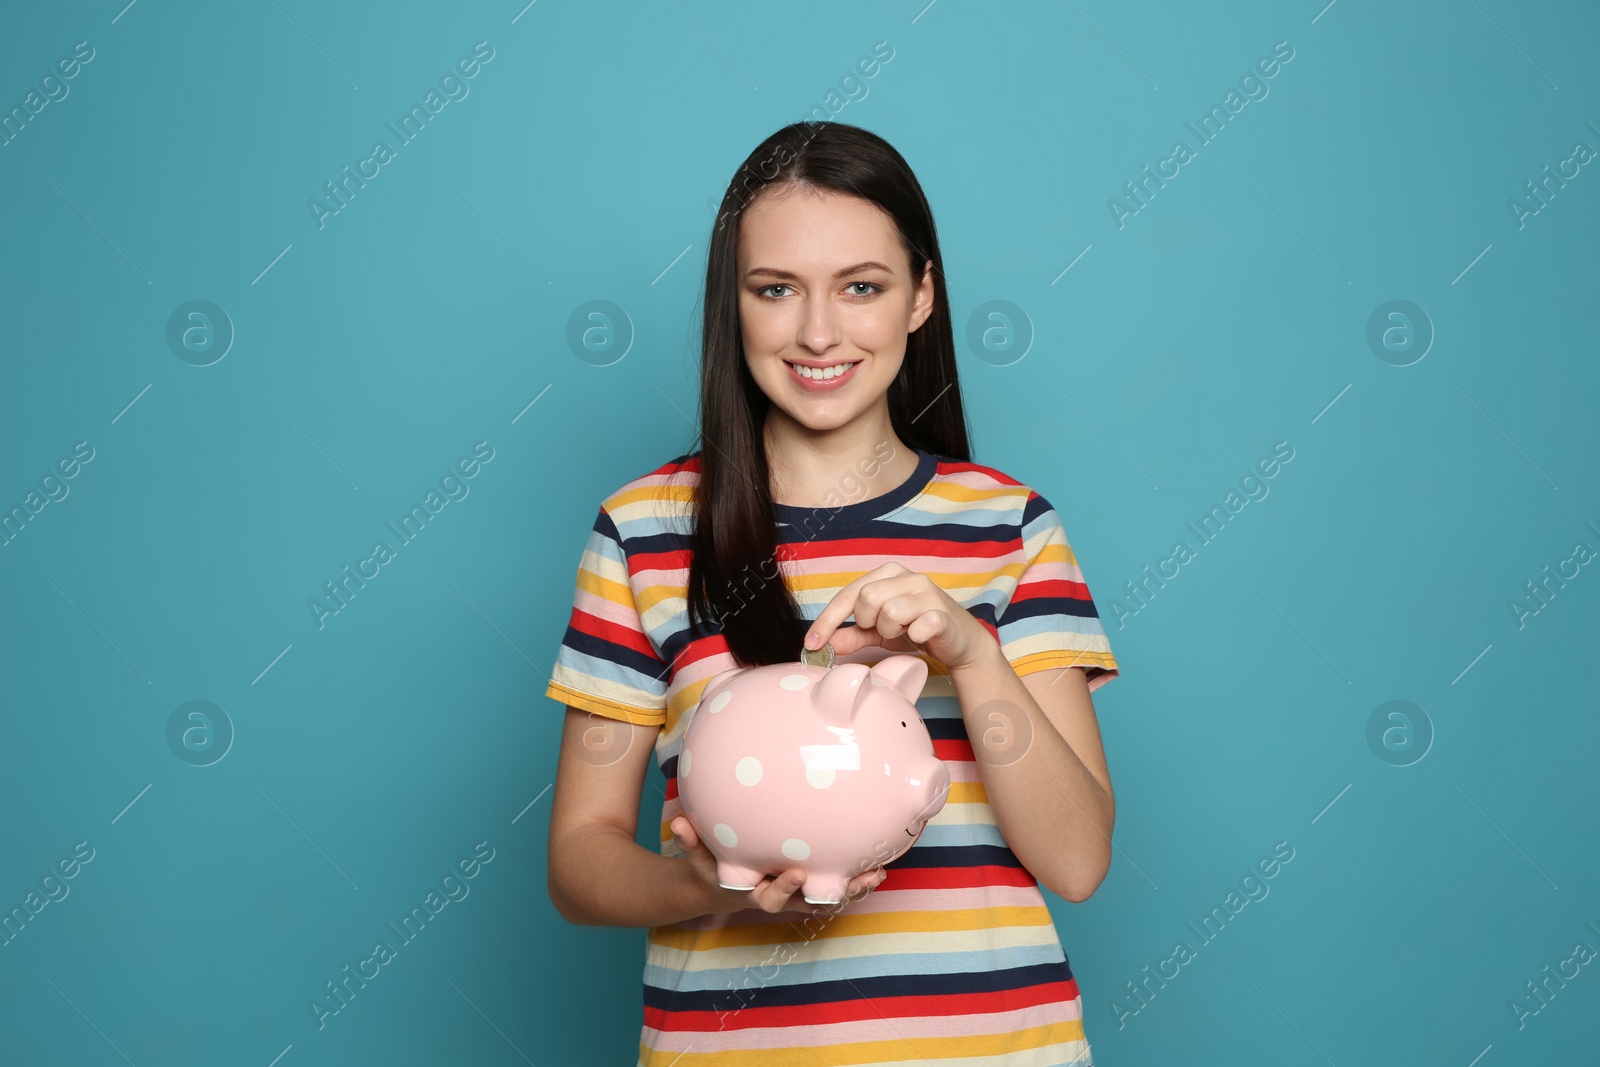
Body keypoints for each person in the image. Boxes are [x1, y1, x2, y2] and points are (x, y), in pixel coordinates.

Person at [544, 120, 1120, 1067]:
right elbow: (579, 861)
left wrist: (971, 655)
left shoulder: (1010, 529)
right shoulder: (643, 530)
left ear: (921, 296)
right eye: (776, 289)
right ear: (733, 304)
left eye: (862, 286)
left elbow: (1078, 860)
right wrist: (705, 887)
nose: (819, 332)